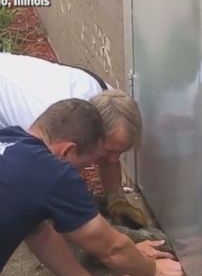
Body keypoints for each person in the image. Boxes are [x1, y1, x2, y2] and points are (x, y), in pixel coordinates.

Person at [0, 98, 187, 276]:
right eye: (85, 164)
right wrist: (153, 269)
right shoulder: (51, 172)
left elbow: (41, 234)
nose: (82, 173)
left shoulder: (10, 140)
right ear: (67, 151)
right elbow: (110, 248)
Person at [0, 52, 146, 228]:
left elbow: (107, 157)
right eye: (110, 151)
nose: (115, 159)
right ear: (94, 133)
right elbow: (48, 188)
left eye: (120, 152)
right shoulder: (52, 125)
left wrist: (117, 199)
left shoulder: (108, 101)